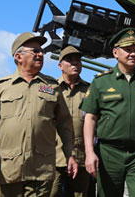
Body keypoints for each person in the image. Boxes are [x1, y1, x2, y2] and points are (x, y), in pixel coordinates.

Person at [0, 32, 78, 197]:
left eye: (41, 51)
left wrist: (70, 155)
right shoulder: (2, 87)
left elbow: (65, 125)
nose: (40, 54)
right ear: (18, 56)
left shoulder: (53, 86)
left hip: (41, 167)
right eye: (35, 51)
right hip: (10, 168)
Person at [81, 28, 135, 197]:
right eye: (127, 49)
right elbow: (90, 118)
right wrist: (89, 152)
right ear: (115, 52)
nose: (132, 54)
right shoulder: (101, 82)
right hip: (109, 154)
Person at [50, 46, 94, 197]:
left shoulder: (91, 90)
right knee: (52, 193)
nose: (75, 63)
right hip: (54, 156)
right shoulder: (51, 89)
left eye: (78, 60)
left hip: (82, 155)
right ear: (60, 65)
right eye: (69, 60)